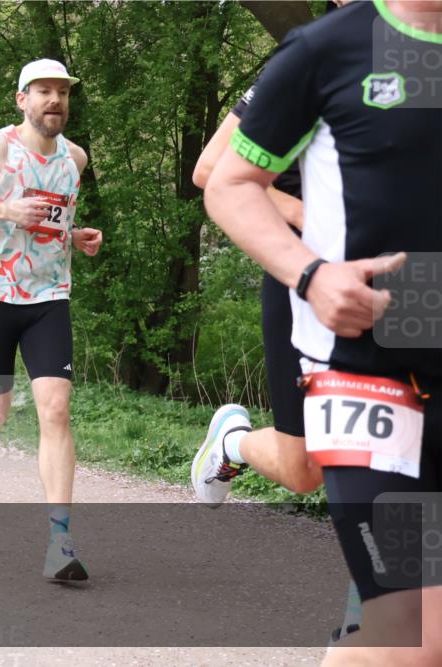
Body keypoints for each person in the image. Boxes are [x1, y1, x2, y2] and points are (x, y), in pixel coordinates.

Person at [202, 1, 441, 663]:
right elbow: (220, 179)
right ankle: (231, 441)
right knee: (417, 636)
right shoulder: (326, 50)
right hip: (365, 371)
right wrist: (312, 270)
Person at [190, 1, 364, 644]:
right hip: (304, 275)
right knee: (304, 468)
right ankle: (231, 444)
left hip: (402, 282)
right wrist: (312, 226)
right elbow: (212, 171)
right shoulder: (311, 55)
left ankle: (374, 606)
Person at [0, 59, 103, 581]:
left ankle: (60, 541)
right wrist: (5, 210)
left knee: (56, 409)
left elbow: (51, 220)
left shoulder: (75, 158)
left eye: (63, 92)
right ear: (21, 100)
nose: (55, 100)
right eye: (44, 92)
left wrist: (75, 235)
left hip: (49, 296)